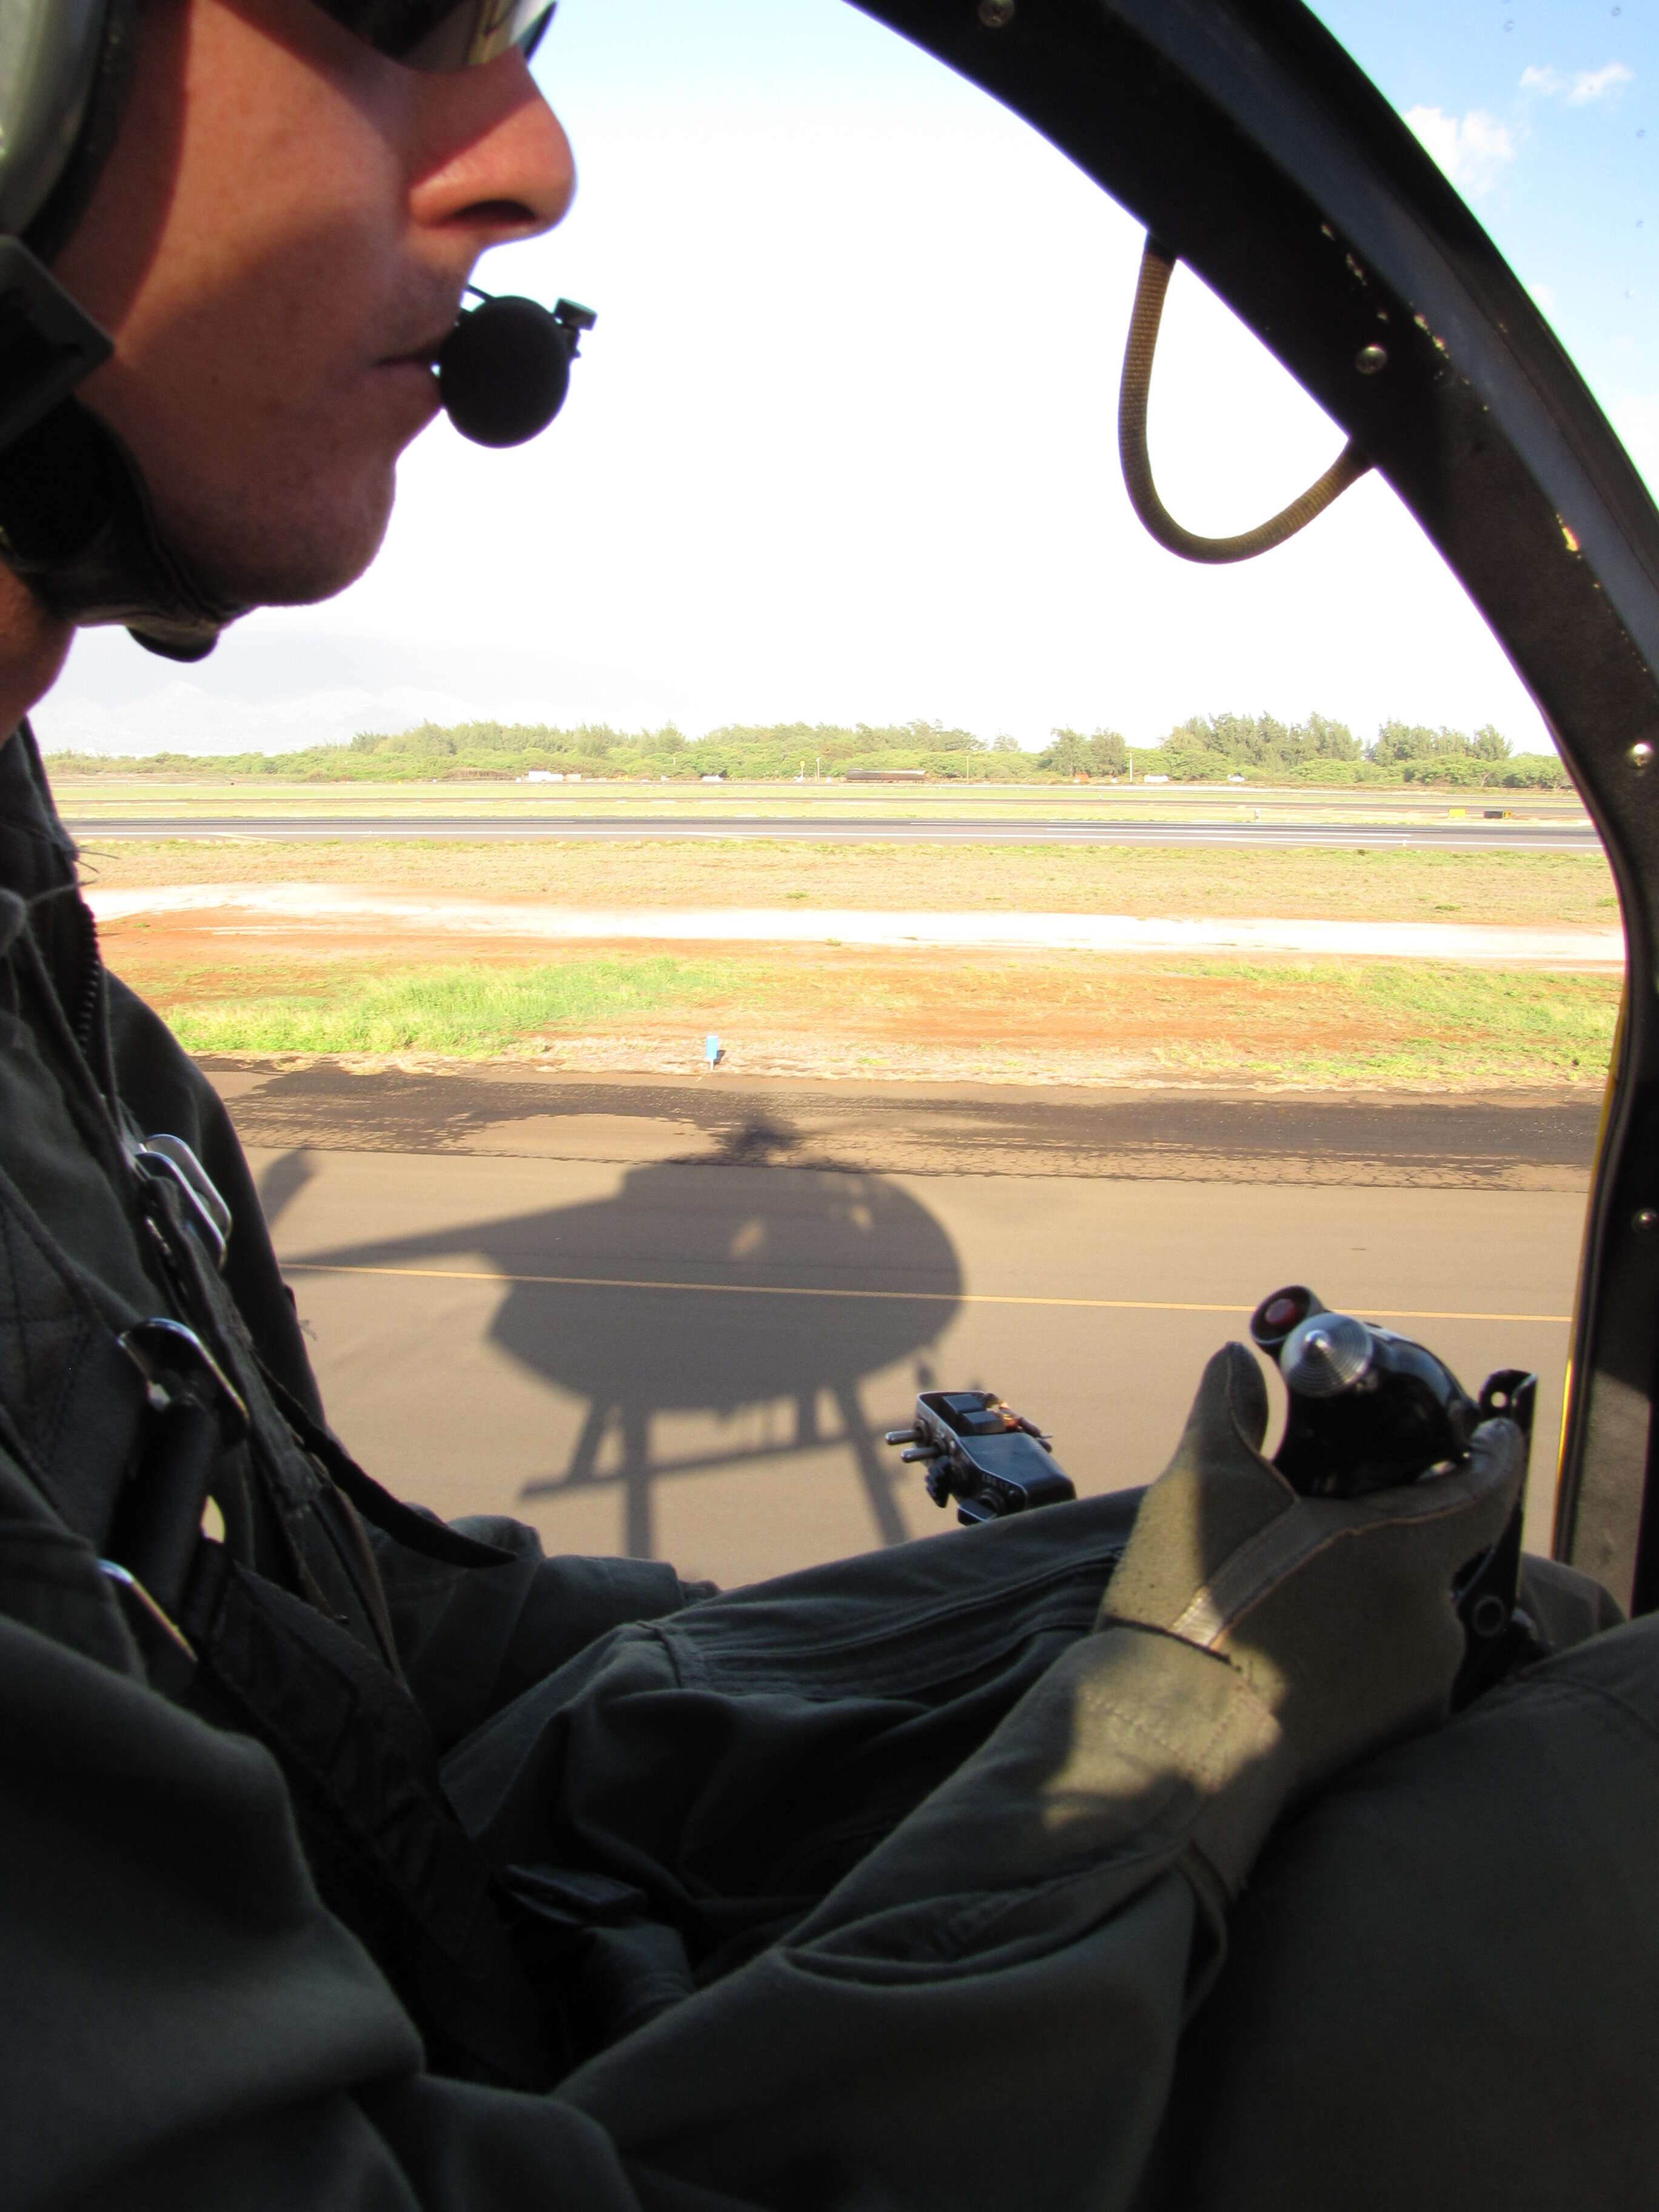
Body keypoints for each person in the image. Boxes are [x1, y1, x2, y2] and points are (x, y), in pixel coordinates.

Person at [0, 4, 1654, 2206]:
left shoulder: (41, 977)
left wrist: (1112, 1600)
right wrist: (1174, 1720)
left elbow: (354, 1658)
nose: (533, 159)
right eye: (400, 10)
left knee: (1481, 1628)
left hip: (437, 1934)